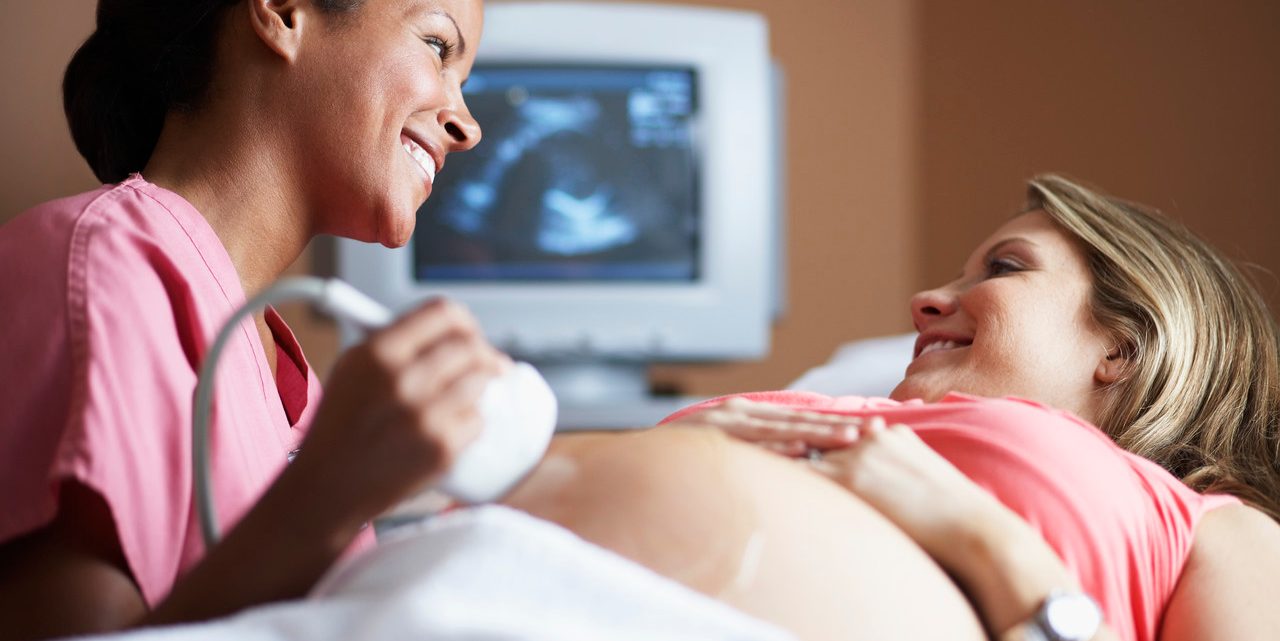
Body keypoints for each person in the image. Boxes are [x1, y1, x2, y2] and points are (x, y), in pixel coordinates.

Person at [493, 175, 1280, 641]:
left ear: (1125, 345)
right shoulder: (843, 405)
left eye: (1002, 268)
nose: (926, 299)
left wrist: (977, 533)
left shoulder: (1214, 524)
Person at [0, 1, 503, 638]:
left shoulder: (297, 385)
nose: (467, 126)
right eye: (437, 46)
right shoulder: (94, 264)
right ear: (282, 13)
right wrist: (327, 497)